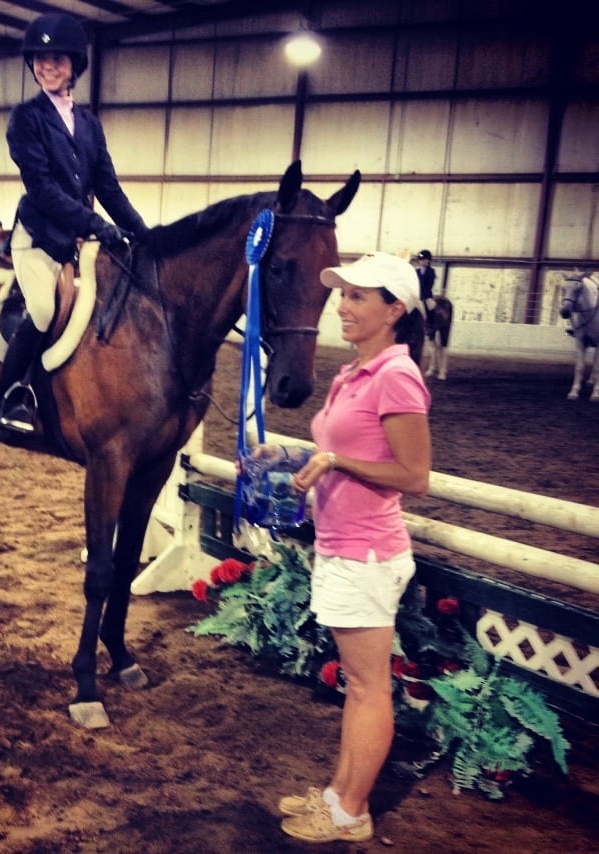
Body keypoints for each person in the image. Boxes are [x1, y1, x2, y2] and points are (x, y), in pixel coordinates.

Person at [277, 251, 431, 844]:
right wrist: (297, 459)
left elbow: (415, 475)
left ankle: (352, 813)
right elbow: (343, 452)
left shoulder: (395, 375)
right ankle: (339, 794)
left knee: (369, 689)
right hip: (344, 548)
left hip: (367, 552)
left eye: (359, 296)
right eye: (342, 295)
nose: (342, 305)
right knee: (358, 687)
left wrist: (335, 459)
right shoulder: (354, 372)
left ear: (394, 309)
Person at [0, 11, 149, 433]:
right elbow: (42, 189)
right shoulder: (25, 118)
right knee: (44, 309)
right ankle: (11, 397)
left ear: (74, 66)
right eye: (40, 60)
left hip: (79, 237)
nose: (48, 67)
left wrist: (144, 234)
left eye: (58, 59)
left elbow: (109, 188)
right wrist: (96, 224)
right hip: (40, 237)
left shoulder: (90, 125)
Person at [414, 249, 436, 321]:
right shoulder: (416, 271)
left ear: (428, 260)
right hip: (417, 295)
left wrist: (423, 295)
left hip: (427, 296)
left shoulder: (431, 271)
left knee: (430, 307)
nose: (422, 261)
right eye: (420, 260)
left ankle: (430, 324)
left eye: (424, 260)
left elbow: (430, 285)